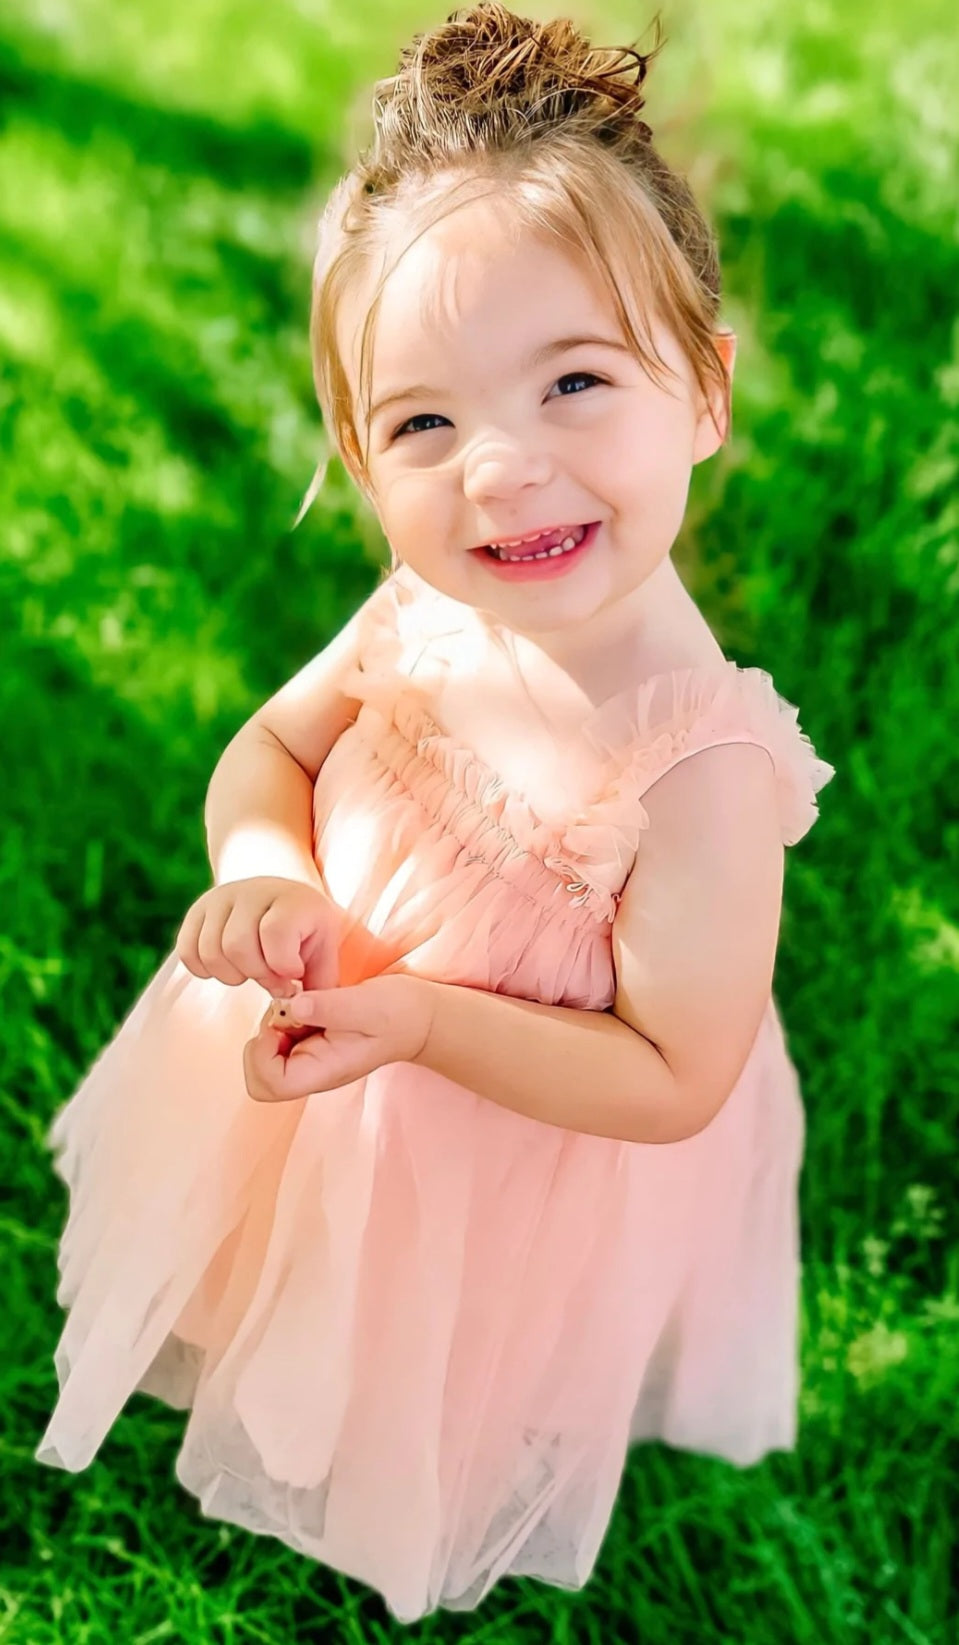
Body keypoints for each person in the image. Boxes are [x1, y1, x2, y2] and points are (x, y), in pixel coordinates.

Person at [35, 1, 836, 1625]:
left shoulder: (700, 772)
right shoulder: (420, 603)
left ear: (707, 390)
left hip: (517, 1136)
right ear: (359, 450)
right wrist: (265, 874)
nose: (500, 471)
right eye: (426, 422)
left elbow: (676, 1074)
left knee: (456, 1329)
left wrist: (412, 1015)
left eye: (574, 383)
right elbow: (268, 751)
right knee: (287, 1253)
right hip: (339, 1044)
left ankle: (440, 1434)